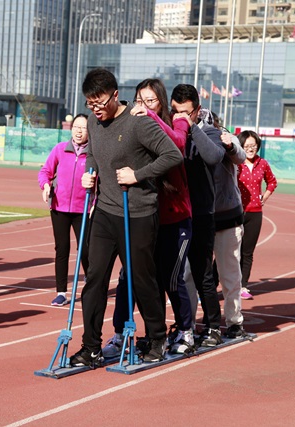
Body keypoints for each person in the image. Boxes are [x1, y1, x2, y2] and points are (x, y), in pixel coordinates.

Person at [69, 68, 183, 367]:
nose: (95, 109)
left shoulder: (137, 122)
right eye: (89, 104)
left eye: (100, 102)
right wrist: (89, 175)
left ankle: (157, 337)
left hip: (139, 213)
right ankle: (91, 346)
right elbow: (92, 155)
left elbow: (172, 155)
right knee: (94, 279)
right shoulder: (93, 122)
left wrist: (138, 175)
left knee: (141, 278)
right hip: (106, 210)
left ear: (115, 95)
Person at [102, 78, 194, 357]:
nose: (143, 106)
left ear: (161, 102)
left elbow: (177, 145)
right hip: (143, 216)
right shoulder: (135, 126)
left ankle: (185, 330)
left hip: (174, 217)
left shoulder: (176, 121)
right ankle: (120, 333)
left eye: (150, 101)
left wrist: (151, 115)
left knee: (171, 277)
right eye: (139, 101)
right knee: (129, 276)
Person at [170, 84, 226, 347]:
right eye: (174, 111)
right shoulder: (168, 133)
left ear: (196, 111)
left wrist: (190, 128)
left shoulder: (210, 133)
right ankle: (184, 325)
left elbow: (215, 156)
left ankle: (213, 325)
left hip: (202, 213)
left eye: (184, 112)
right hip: (177, 212)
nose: (178, 117)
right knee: (175, 274)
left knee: (203, 273)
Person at [38, 114, 91, 306]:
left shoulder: (93, 153)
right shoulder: (60, 149)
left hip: (83, 209)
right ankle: (61, 292)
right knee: (62, 249)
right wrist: (45, 185)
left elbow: (100, 181)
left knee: (86, 250)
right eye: (76, 127)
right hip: (59, 208)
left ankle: (90, 285)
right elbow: (45, 171)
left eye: (83, 128)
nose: (78, 131)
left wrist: (94, 203)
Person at [214, 129, 247, 339]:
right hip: (198, 217)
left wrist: (229, 145)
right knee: (188, 275)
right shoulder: (184, 136)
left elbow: (240, 156)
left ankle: (234, 321)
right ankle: (187, 324)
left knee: (229, 274)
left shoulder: (224, 137)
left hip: (227, 217)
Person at [237, 130, 277, 299]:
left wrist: (264, 198)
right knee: (229, 251)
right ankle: (211, 287)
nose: (250, 149)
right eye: (247, 146)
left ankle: (242, 286)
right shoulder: (236, 163)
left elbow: (272, 182)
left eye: (253, 145)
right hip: (236, 212)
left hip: (255, 213)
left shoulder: (263, 164)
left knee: (247, 252)